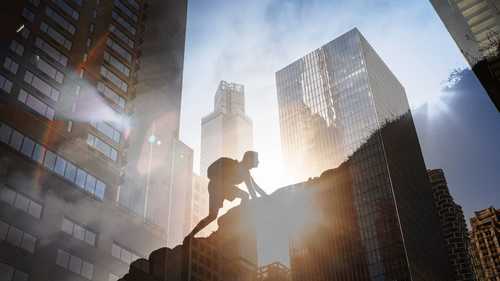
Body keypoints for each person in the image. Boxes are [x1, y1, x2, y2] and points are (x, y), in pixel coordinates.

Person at [185, 151, 267, 241]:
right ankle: (241, 218)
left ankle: (190, 236)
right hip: (219, 187)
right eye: (256, 160)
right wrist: (264, 201)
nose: (258, 162)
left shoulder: (246, 173)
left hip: (218, 187)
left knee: (212, 216)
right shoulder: (243, 170)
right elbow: (253, 191)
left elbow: (255, 188)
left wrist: (267, 197)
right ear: (249, 159)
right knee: (244, 196)